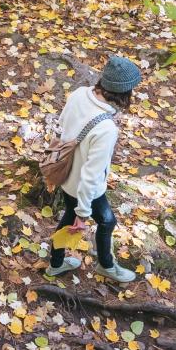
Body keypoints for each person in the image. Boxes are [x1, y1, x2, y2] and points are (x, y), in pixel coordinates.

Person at [45, 56, 143, 283]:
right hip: (84, 187)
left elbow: (62, 123)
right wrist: (83, 213)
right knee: (107, 221)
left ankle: (55, 264)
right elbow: (91, 175)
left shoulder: (80, 94)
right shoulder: (106, 129)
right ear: (125, 92)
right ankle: (106, 265)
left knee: (68, 217)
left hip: (65, 174)